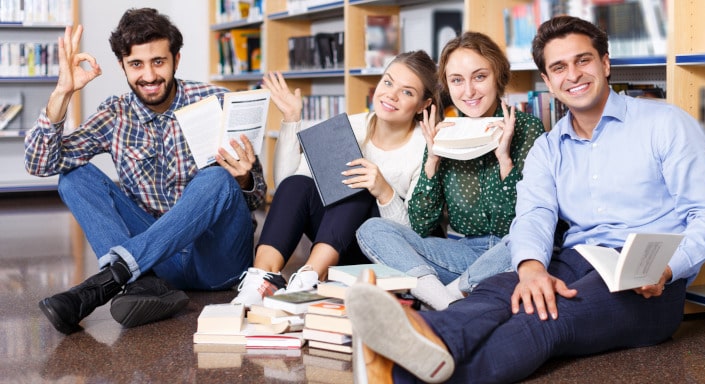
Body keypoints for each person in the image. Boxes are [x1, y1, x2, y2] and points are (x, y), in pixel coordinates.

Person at [345, 15, 705, 383]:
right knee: (496, 293)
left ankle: (395, 375)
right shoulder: (549, 146)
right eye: (559, 68)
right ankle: (409, 341)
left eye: (583, 61)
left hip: (646, 278)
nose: (573, 75)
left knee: (543, 318)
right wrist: (530, 269)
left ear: (606, 64)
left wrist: (666, 266)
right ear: (547, 80)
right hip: (576, 259)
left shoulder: (665, 124)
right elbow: (534, 215)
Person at [27, 8, 266, 335]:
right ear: (122, 66)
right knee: (73, 177)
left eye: (159, 62)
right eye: (136, 64)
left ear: (176, 60)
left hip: (217, 262)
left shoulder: (217, 101)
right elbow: (41, 163)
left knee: (216, 178)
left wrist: (242, 179)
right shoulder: (115, 113)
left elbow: (257, 196)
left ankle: (114, 277)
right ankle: (143, 283)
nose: (150, 76)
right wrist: (62, 93)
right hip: (157, 264)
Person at [230, 50, 439, 307]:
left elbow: (413, 237)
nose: (391, 95)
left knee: (359, 184)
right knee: (300, 184)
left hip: (381, 256)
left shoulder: (424, 147)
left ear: (423, 104)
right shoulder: (350, 125)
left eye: (407, 92)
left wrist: (383, 190)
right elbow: (288, 186)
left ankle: (310, 280)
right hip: (337, 241)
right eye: (388, 82)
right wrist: (291, 120)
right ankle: (263, 280)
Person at [355, 31, 546, 310]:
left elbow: (522, 222)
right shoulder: (444, 133)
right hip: (462, 254)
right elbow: (421, 226)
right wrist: (432, 159)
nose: (468, 91)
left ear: (498, 76)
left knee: (529, 240)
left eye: (479, 77)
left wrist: (504, 159)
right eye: (457, 80)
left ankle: (453, 295)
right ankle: (446, 301)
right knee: (372, 229)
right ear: (447, 85)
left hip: (510, 256)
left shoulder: (528, 129)